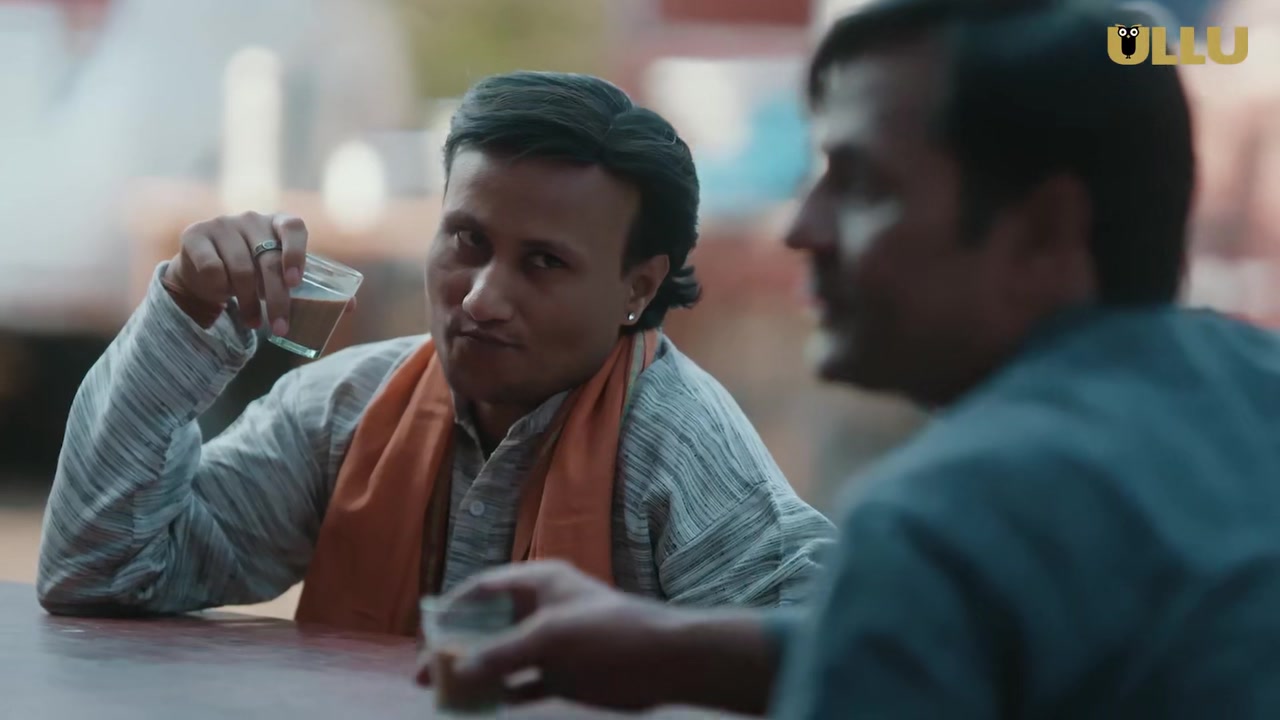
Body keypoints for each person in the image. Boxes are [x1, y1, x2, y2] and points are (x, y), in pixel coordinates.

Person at [416, 1, 1280, 716]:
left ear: (1046, 229)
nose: (803, 227)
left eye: (861, 185)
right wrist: (673, 647)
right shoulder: (1254, 394)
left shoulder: (942, 519)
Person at [36, 70, 836, 634]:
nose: (481, 298)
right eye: (466, 241)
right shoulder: (350, 410)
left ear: (639, 285)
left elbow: (820, 650)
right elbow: (104, 573)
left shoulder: (673, 443)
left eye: (543, 262)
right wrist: (185, 311)